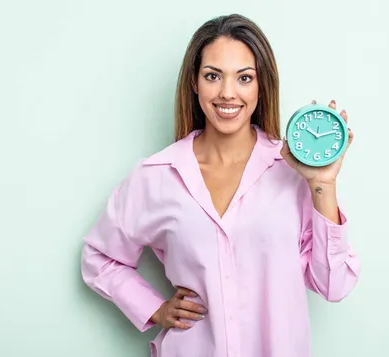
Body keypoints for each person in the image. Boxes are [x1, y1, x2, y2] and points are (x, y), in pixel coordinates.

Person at [80, 13, 360, 357]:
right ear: (195, 83)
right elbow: (99, 256)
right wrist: (154, 308)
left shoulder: (292, 173)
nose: (228, 93)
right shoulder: (155, 176)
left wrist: (323, 184)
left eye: (245, 78)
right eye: (213, 76)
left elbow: (334, 285)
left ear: (262, 85)